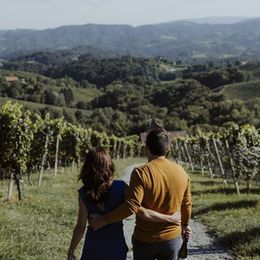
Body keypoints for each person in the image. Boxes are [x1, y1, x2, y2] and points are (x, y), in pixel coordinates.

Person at [91, 130, 192, 260]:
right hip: (172, 239)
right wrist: (184, 225)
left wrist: (103, 220)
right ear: (168, 148)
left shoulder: (141, 172)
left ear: (146, 148)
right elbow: (187, 204)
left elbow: (131, 206)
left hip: (145, 240)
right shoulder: (181, 171)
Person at [67, 147, 181, 260]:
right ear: (109, 165)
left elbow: (80, 227)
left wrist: (71, 251)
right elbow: (135, 208)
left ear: (87, 167)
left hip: (93, 247)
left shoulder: (83, 193)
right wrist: (168, 218)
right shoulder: (121, 187)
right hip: (115, 247)